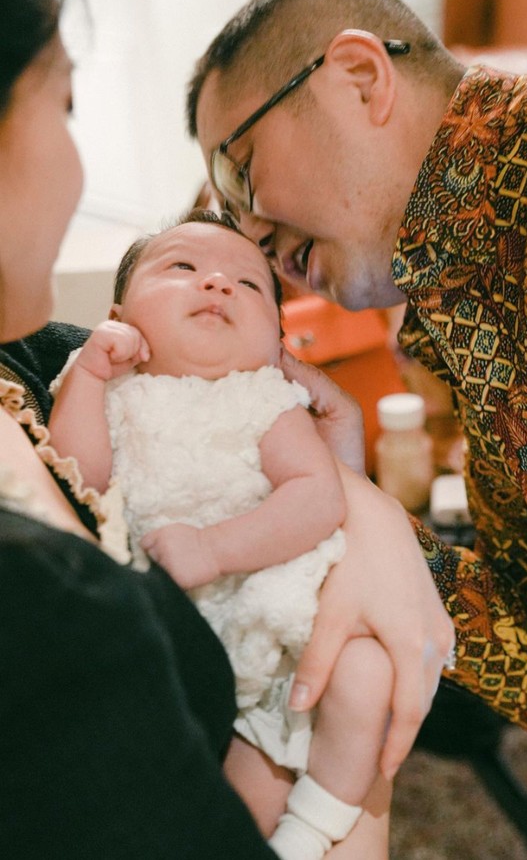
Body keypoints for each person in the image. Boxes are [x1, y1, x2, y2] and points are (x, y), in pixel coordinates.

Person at [0, 0, 454, 855]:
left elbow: (311, 467)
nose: (235, 262)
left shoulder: (28, 355)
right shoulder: (47, 604)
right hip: (238, 706)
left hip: (278, 631)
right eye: (62, 105)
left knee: (355, 692)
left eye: (248, 280)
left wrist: (368, 508)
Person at [185, 0, 527, 742]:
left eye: (239, 173)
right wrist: (343, 503)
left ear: (361, 79)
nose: (251, 234)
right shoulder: (467, 348)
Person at [48, 208, 403, 860]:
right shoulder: (103, 382)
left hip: (274, 622)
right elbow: (80, 480)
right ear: (120, 314)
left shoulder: (262, 397)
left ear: (276, 339)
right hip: (179, 643)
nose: (216, 285)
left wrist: (215, 548)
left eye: (247, 284)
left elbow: (317, 495)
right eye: (182, 267)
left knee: (365, 675)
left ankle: (310, 830)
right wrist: (91, 374)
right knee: (212, 793)